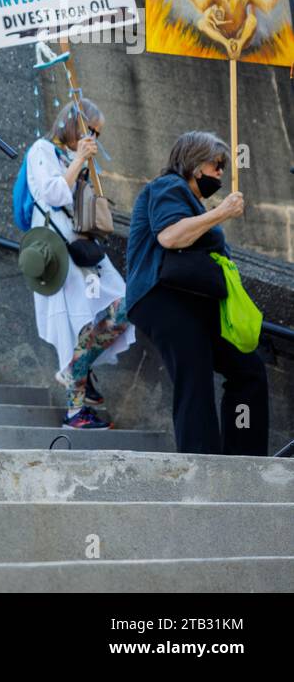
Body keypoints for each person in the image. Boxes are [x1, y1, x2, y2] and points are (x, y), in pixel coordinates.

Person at [124, 131, 268, 455]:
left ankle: (245, 459)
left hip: (194, 302)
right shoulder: (168, 186)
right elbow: (170, 237)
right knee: (195, 375)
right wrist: (221, 213)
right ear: (193, 163)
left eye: (223, 165)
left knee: (248, 370)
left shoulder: (191, 201)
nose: (220, 172)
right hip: (164, 297)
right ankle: (203, 465)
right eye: (216, 164)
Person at [25, 99, 134, 428]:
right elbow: (54, 194)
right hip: (56, 250)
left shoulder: (73, 157)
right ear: (76, 126)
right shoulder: (41, 150)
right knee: (71, 325)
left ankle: (76, 369)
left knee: (126, 302)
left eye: (98, 134)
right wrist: (78, 161)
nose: (95, 139)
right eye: (92, 131)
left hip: (82, 247)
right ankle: (75, 410)